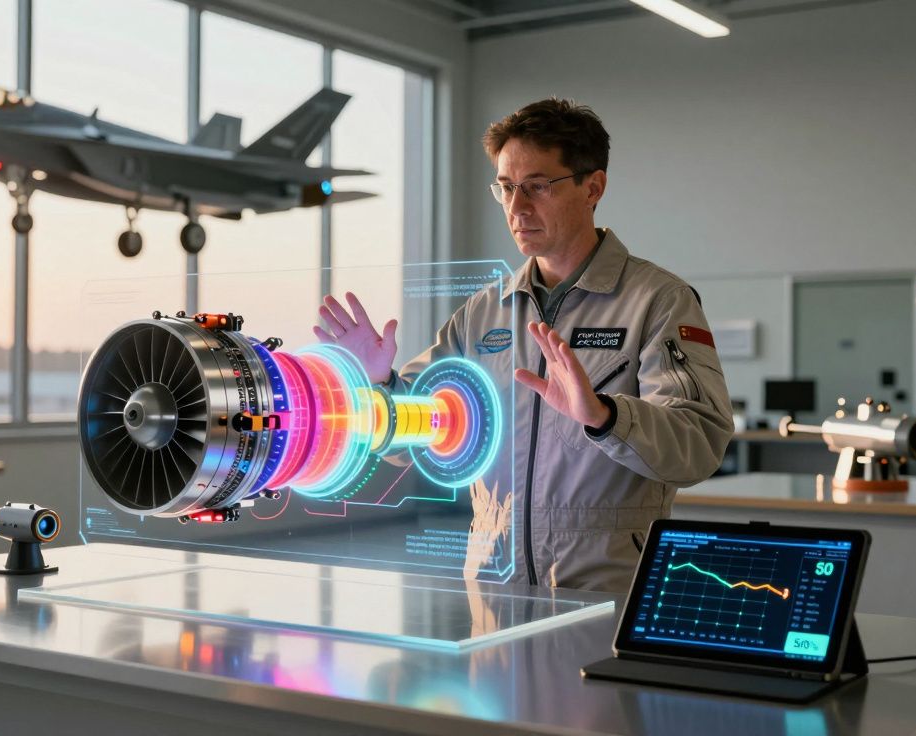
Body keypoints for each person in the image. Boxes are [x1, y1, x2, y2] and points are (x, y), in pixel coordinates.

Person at [314, 98, 733, 593]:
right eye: (507, 188)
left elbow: (700, 444)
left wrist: (603, 415)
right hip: (494, 587)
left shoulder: (657, 301)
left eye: (537, 186)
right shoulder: (482, 313)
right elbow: (417, 443)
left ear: (592, 187)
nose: (517, 208)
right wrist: (383, 386)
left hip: (606, 590)